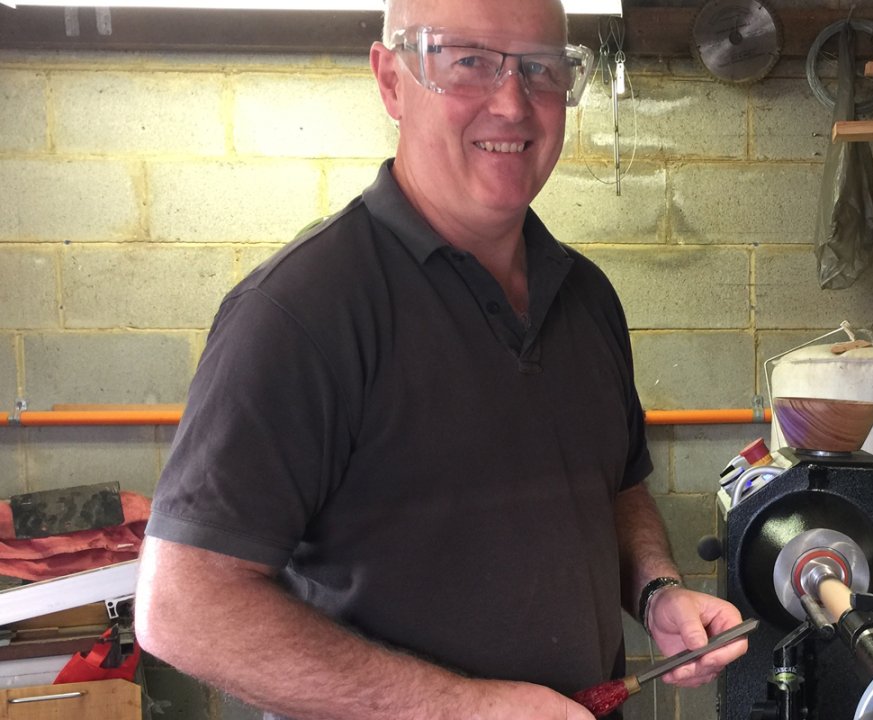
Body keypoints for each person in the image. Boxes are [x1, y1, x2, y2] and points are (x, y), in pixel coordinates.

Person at [133, 0, 747, 717]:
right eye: (468, 62)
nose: (513, 103)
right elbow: (184, 608)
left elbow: (615, 489)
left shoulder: (586, 297)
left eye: (541, 69)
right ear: (391, 81)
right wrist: (463, 707)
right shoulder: (302, 311)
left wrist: (656, 590)